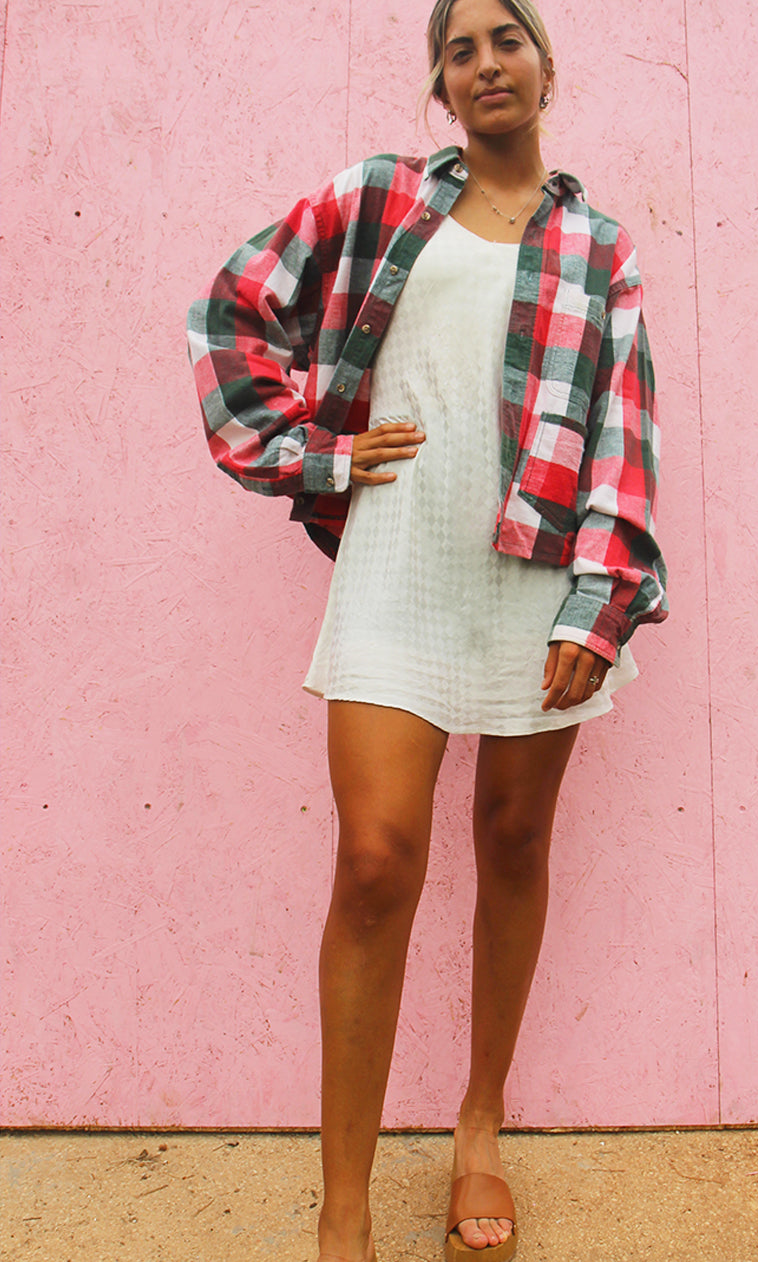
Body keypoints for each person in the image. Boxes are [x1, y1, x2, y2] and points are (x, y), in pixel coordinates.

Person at [187, 1, 668, 1257]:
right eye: (459, 50)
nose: (484, 62)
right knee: (373, 859)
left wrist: (598, 603)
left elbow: (622, 436)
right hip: (397, 564)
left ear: (545, 67)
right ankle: (344, 1206)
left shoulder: (598, 249)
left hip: (537, 578)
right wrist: (316, 454)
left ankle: (477, 1127)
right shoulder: (377, 198)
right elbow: (231, 312)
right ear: (439, 87)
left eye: (505, 39)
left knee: (512, 839)